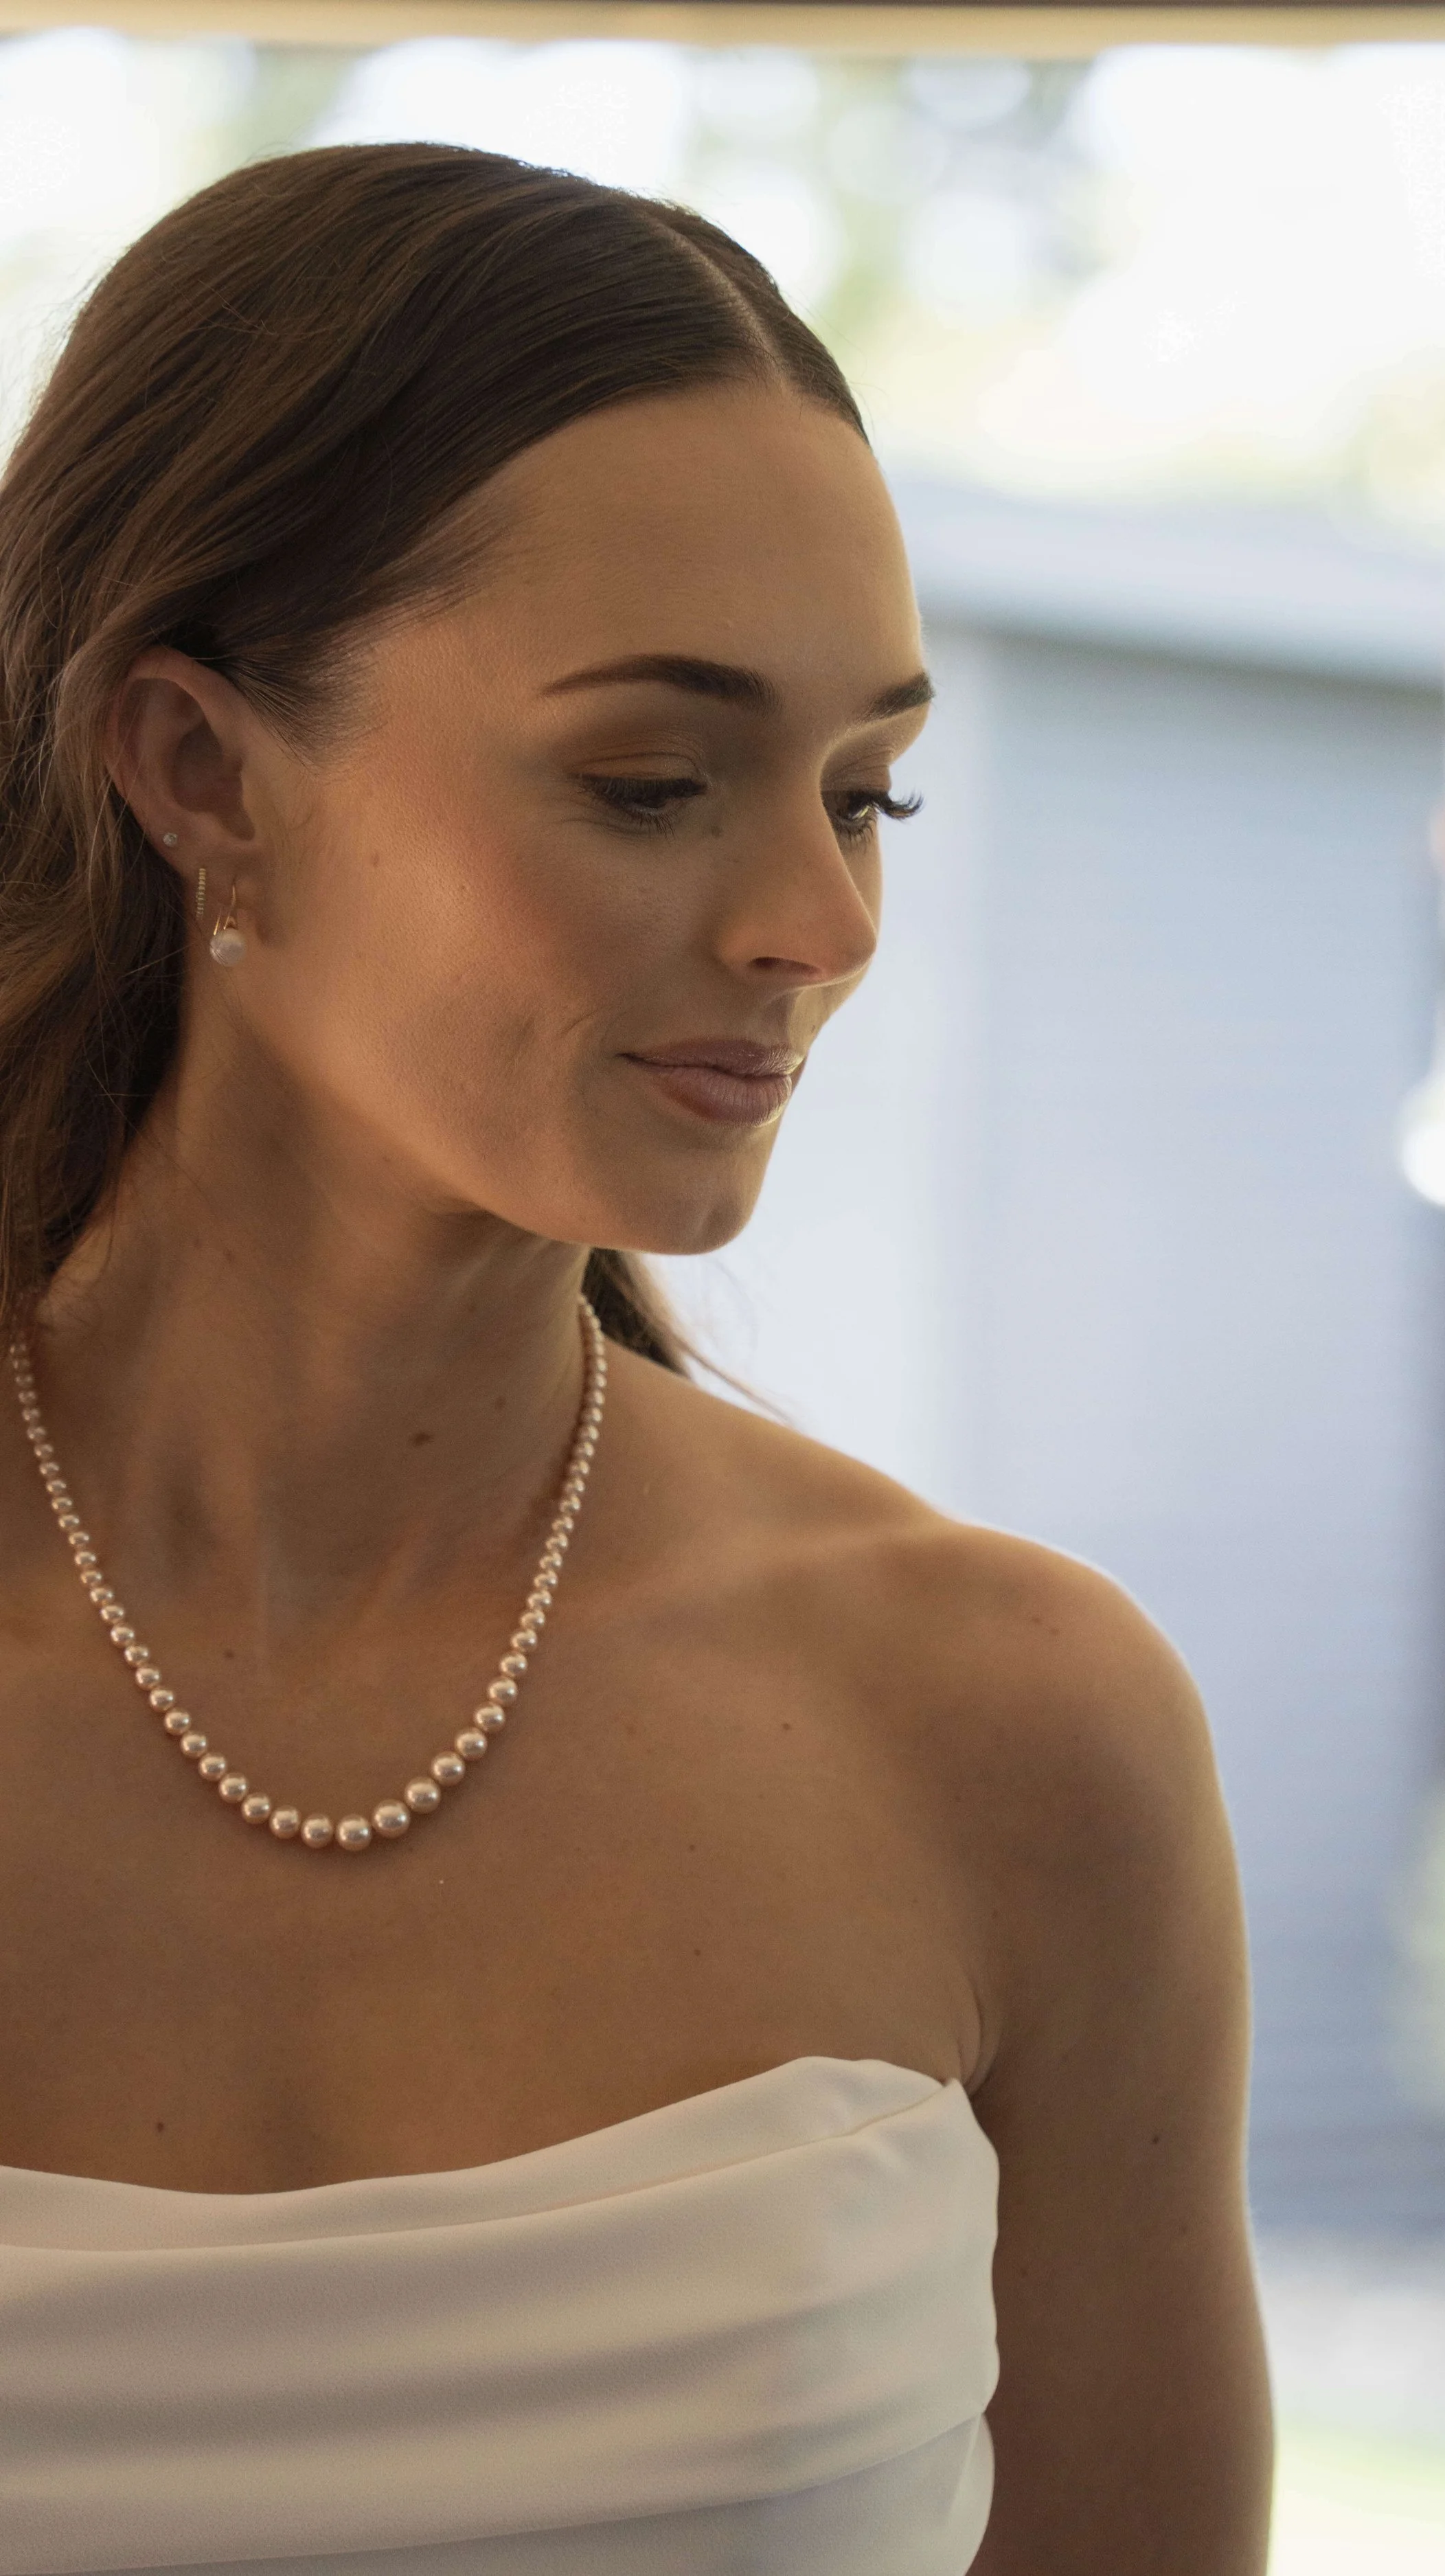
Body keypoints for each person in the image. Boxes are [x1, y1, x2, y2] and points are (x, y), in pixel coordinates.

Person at [0, 143, 1271, 2576]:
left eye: (865, 790)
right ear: (198, 774)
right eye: (651, 784)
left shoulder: (1018, 1737)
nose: (820, 921)